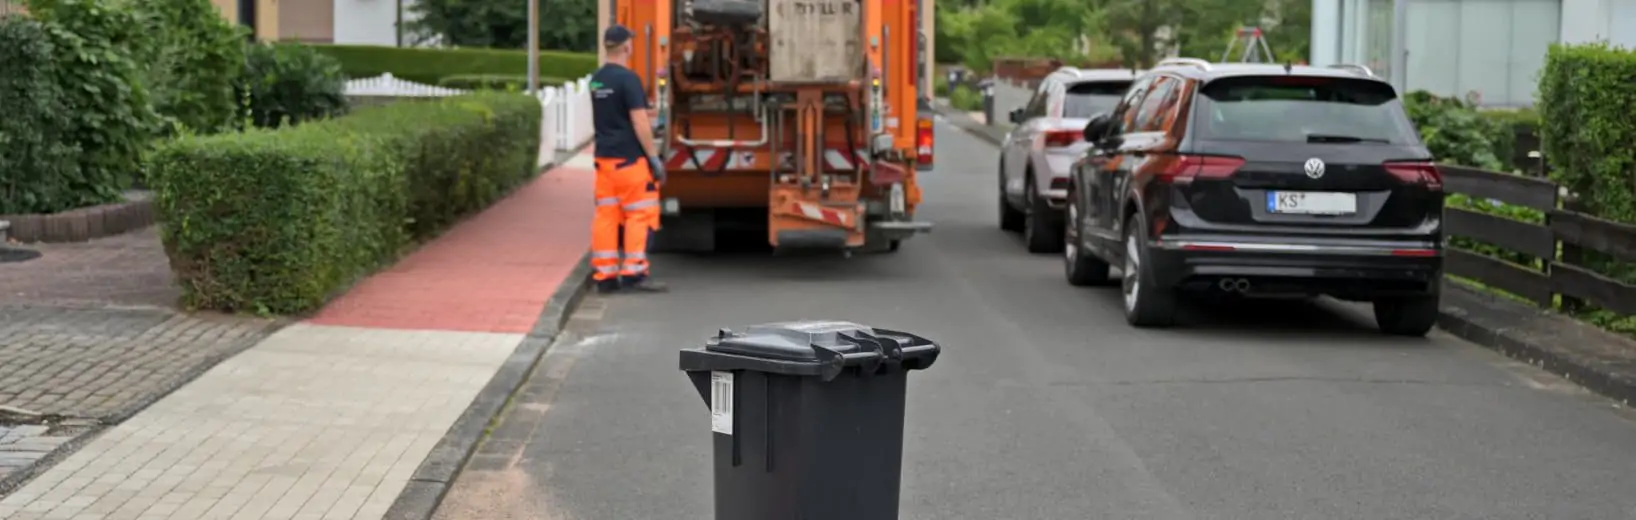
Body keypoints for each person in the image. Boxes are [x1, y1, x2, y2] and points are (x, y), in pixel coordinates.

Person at [589, 25, 669, 294]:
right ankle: (634, 272)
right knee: (638, 214)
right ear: (625, 47)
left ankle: (605, 275)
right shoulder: (628, 79)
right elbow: (639, 122)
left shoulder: (596, 80)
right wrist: (654, 158)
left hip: (604, 161)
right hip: (629, 161)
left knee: (606, 216)